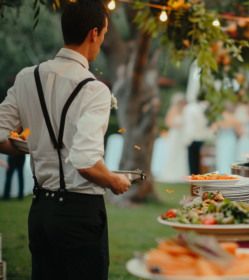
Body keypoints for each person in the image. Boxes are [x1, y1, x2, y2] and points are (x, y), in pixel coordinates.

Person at [0, 0, 131, 278]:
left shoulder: (26, 77)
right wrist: (115, 181)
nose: (101, 41)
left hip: (40, 212)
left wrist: (34, 148)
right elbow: (85, 162)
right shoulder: (94, 89)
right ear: (93, 33)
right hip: (79, 215)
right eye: (104, 34)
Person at [159, 93, 188, 182]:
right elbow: (168, 123)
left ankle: (181, 172)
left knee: (182, 153)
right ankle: (172, 173)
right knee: (173, 152)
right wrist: (180, 125)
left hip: (182, 135)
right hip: (175, 134)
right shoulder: (173, 109)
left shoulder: (184, 110)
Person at [213, 101, 242, 174]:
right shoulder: (233, 117)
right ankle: (229, 173)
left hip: (221, 139)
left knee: (221, 158)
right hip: (231, 140)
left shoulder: (219, 117)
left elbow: (213, 129)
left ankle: (221, 173)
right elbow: (239, 132)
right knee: (230, 157)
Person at [183, 100, 209, 175]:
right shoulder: (200, 110)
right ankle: (197, 174)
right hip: (200, 137)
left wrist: (187, 139)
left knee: (192, 160)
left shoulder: (191, 109)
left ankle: (194, 175)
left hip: (193, 138)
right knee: (197, 159)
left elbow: (191, 127)